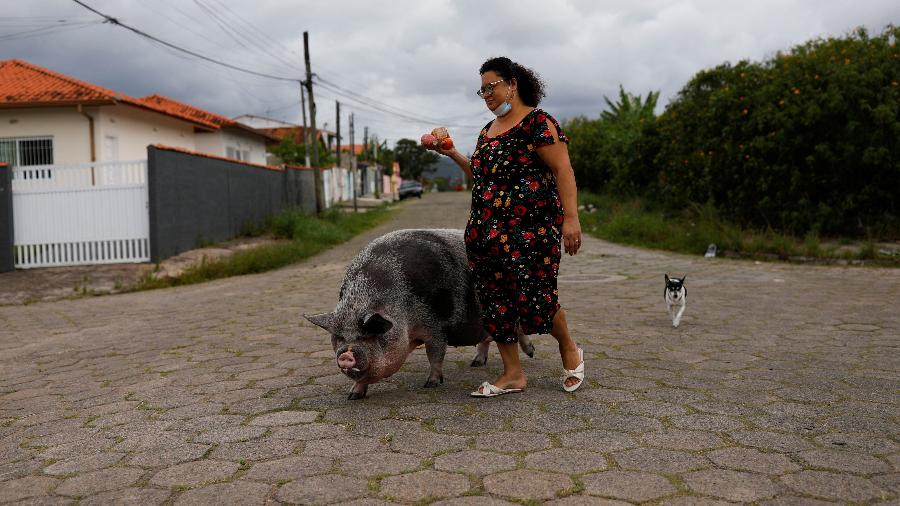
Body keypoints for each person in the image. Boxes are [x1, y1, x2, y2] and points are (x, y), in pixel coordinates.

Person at [435, 56, 585, 397]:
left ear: (512, 84)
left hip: (532, 230)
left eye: (492, 86)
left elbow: (563, 170)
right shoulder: (487, 132)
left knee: (540, 299)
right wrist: (451, 153)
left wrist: (571, 218)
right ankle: (513, 374)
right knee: (495, 302)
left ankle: (569, 350)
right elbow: (479, 175)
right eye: (482, 90)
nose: (487, 95)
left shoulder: (538, 123)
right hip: (485, 233)